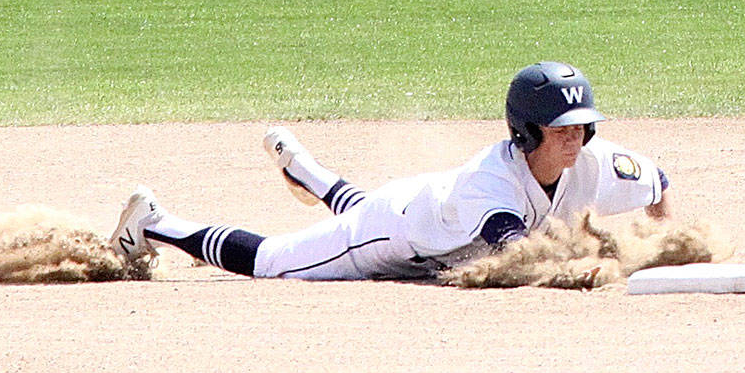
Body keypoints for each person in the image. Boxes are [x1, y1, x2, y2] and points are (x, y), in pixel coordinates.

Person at [111, 61, 672, 279]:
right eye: (561, 127)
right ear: (527, 131)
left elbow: (658, 185)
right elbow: (519, 254)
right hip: (394, 234)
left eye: (582, 125)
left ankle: (306, 168)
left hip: (424, 207)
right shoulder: (491, 184)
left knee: (358, 211)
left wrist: (663, 240)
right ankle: (154, 222)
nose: (575, 135)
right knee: (272, 262)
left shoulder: (595, 162)